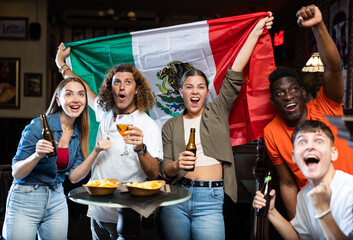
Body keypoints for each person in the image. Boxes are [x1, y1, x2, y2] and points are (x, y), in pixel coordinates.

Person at [159, 13, 273, 240]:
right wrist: (176, 164)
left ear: (206, 92)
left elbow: (235, 73)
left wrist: (256, 30)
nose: (194, 91)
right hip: (176, 196)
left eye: (200, 87)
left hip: (210, 199)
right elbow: (164, 169)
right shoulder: (170, 126)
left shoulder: (217, 111)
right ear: (181, 93)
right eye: (189, 87)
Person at [56, 45, 163, 240]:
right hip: (97, 210)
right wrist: (61, 64)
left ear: (137, 89)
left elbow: (154, 172)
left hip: (127, 214)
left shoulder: (148, 125)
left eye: (128, 82)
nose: (122, 87)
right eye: (117, 82)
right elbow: (83, 88)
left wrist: (141, 148)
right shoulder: (105, 112)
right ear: (110, 88)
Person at [264, 4, 353, 220]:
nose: (288, 96)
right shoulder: (271, 132)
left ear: (303, 93)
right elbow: (287, 182)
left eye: (293, 89)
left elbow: (333, 67)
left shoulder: (326, 105)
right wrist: (298, 225)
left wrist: (319, 26)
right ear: (273, 101)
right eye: (280, 93)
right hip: (317, 210)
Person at [2, 77, 111, 240]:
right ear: (59, 100)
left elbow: (74, 177)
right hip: (25, 197)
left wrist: (95, 152)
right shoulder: (38, 126)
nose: (76, 99)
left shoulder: (80, 132)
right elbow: (17, 173)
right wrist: (37, 155)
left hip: (56, 198)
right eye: (69, 94)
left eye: (81, 94)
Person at [254, 120, 353, 239]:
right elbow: (299, 238)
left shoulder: (350, 190)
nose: (310, 147)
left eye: (319, 141)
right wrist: (271, 211)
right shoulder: (303, 196)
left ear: (333, 153)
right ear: (294, 157)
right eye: (302, 142)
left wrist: (323, 211)